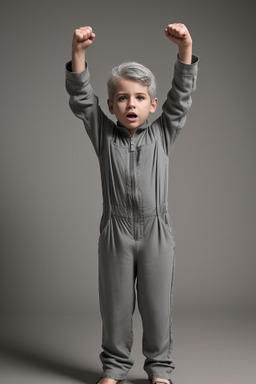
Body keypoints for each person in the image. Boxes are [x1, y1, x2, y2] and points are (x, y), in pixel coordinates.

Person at [65, 23, 199, 384]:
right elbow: (81, 101)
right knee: (116, 308)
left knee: (157, 309)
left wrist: (185, 48)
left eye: (140, 97)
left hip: (157, 232)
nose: (131, 104)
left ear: (152, 105)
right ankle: (114, 368)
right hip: (116, 232)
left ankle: (159, 370)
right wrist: (78, 53)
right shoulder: (104, 135)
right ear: (111, 105)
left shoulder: (163, 134)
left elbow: (181, 97)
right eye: (122, 98)